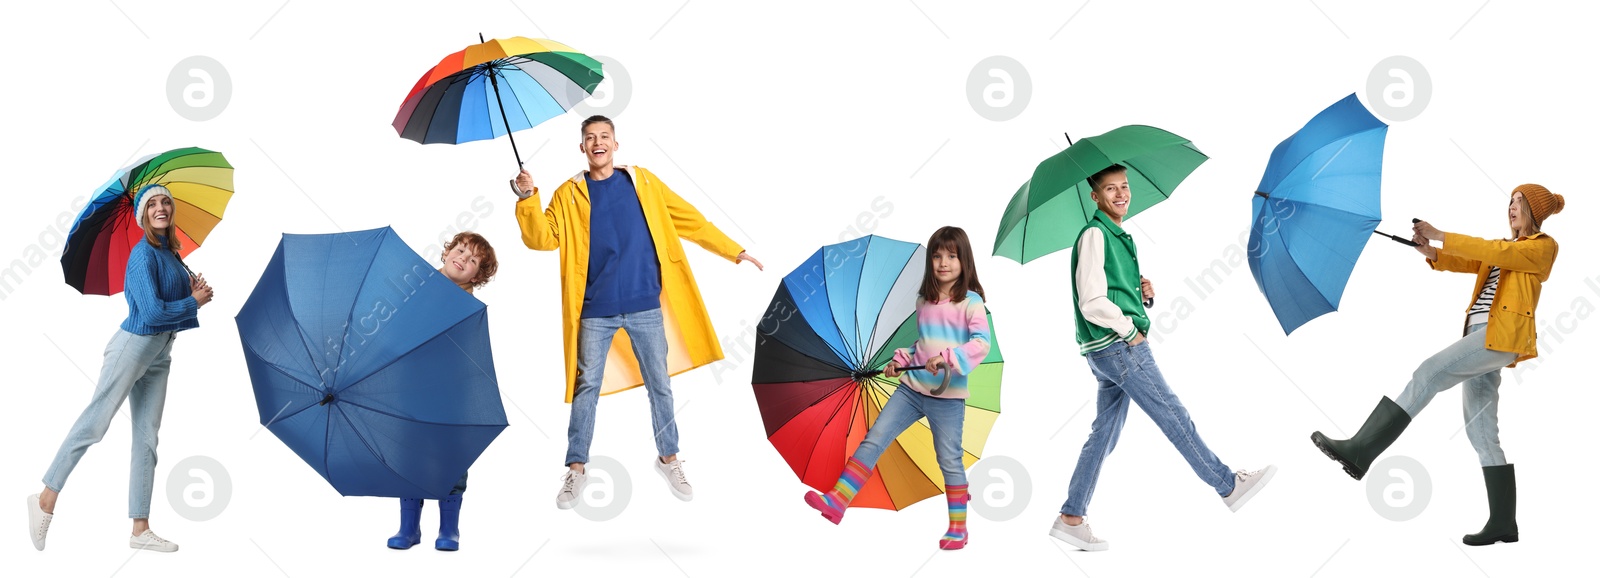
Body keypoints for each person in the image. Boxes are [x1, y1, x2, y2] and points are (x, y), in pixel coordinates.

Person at [513, 115, 764, 509]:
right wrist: (528, 198)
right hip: (595, 310)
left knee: (660, 385)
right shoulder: (567, 194)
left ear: (616, 144)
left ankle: (669, 458)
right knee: (586, 389)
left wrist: (733, 249)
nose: (598, 143)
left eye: (605, 137)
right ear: (582, 148)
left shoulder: (642, 182)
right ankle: (576, 468)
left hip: (645, 304)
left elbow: (690, 219)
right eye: (590, 138)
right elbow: (542, 239)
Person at [1312, 184, 1563, 546]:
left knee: (1428, 373)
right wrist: (1431, 251)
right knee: (1482, 434)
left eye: (1519, 202)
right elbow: (1474, 260)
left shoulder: (1541, 247)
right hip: (1481, 334)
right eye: (1509, 201)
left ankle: (1360, 449)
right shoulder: (1506, 250)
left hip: (1500, 336)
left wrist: (1442, 234)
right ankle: (1504, 524)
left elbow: (1489, 250)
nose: (1511, 207)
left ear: (1535, 212)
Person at [1050, 164, 1276, 551]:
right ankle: (1227, 485)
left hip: (1108, 349)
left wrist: (1142, 295)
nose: (1121, 194)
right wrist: (1129, 330)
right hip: (1119, 347)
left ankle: (1072, 516)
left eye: (1124, 186)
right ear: (1095, 196)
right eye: (1110, 189)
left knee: (1104, 433)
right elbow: (1091, 301)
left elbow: (1112, 291)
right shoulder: (1094, 234)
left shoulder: (1118, 236)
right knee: (1172, 414)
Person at [26, 184, 215, 553]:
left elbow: (169, 308)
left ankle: (140, 529)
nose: (161, 208)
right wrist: (192, 302)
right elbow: (152, 313)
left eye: (166, 202)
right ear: (143, 215)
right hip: (134, 347)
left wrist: (191, 291)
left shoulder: (171, 253)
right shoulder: (142, 255)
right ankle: (45, 498)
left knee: (147, 437)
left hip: (160, 352)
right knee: (96, 422)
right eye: (153, 204)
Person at [803, 226, 992, 550]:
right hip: (911, 388)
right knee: (875, 438)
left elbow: (981, 344)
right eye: (937, 256)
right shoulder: (924, 301)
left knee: (949, 459)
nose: (943, 262)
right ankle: (838, 502)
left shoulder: (970, 303)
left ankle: (958, 528)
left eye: (951, 256)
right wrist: (901, 360)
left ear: (964, 261)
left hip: (946, 397)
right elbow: (923, 342)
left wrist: (947, 358)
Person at [386, 232, 499, 551]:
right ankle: (408, 528)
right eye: (460, 250)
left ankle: (449, 528)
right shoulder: (415, 289)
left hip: (451, 395)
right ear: (447, 252)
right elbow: (399, 330)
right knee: (409, 453)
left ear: (476, 275)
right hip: (411, 387)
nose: (463, 257)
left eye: (473, 260)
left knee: (450, 456)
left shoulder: (469, 306)